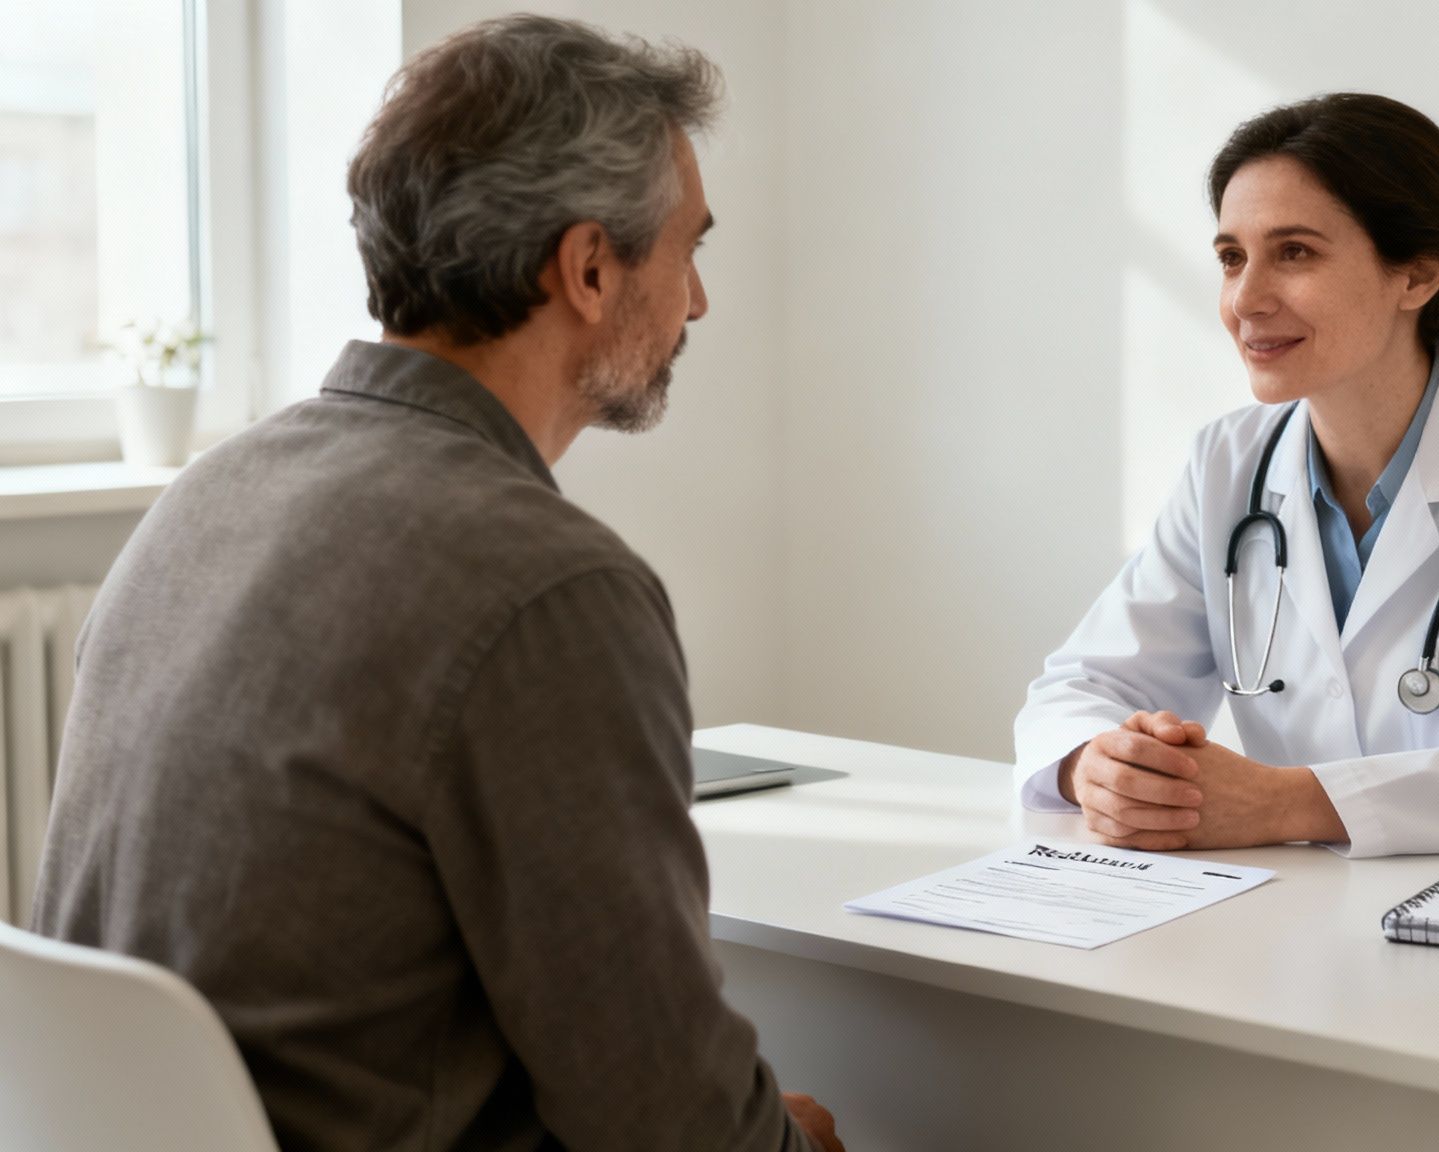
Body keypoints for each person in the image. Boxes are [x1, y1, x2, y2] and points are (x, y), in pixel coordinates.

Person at [34, 17, 843, 1152]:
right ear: (591, 267)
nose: (698, 301)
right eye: (686, 249)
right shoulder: (548, 589)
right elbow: (664, 1120)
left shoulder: (206, 496)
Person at [1013, 94, 1439, 859]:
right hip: (1317, 911)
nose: (1245, 299)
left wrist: (1284, 802)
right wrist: (1096, 766)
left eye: (1294, 252)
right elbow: (1080, 688)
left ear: (1418, 275)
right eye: (1232, 257)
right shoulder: (1227, 465)